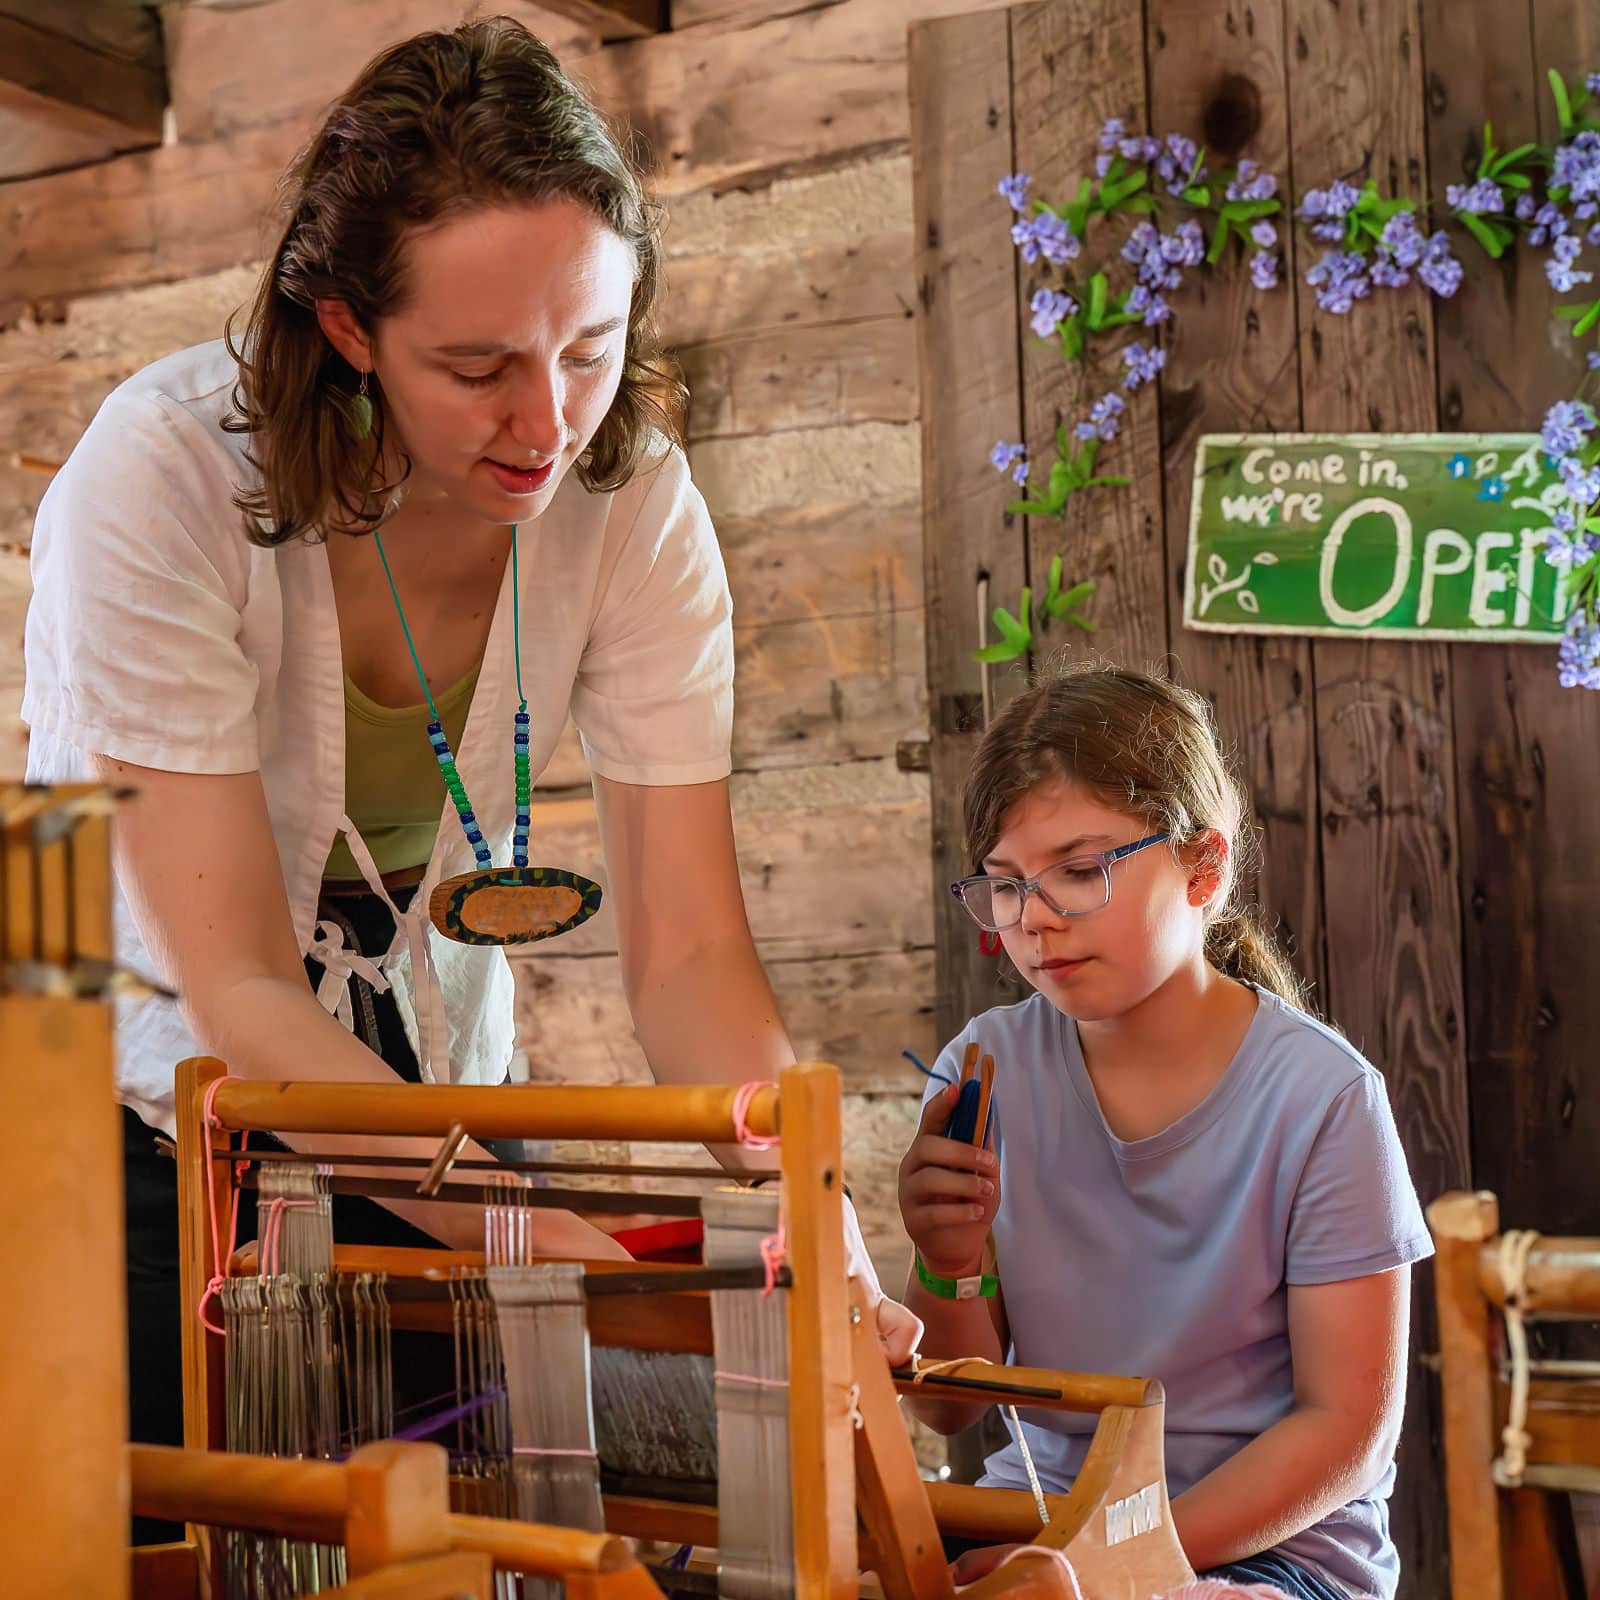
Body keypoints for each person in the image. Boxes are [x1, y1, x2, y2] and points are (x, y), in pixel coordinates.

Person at [22, 18, 912, 1530]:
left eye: (591, 347)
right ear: (348, 329)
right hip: (127, 1072)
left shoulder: (631, 507)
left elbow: (694, 954)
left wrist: (811, 1214)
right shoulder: (161, 476)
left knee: (482, 1511)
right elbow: (236, 994)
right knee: (170, 1515)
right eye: (479, 365)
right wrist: (531, 1231)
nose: (548, 424)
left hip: (395, 1074)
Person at [897, 663, 1432, 1600]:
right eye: (1007, 884)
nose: (1036, 921)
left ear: (1204, 866)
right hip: (1036, 1527)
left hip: (1271, 1554)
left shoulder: (1325, 1097)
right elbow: (948, 1408)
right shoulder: (982, 1072)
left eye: (1080, 870)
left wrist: (1109, 1565)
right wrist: (944, 1255)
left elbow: (1348, 1434)